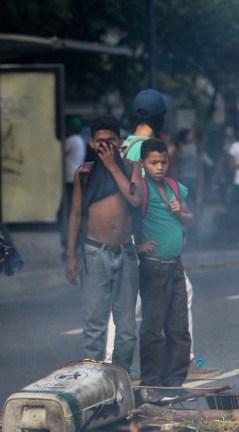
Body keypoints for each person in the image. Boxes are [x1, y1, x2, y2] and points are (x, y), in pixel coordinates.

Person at [108, 89, 221, 380]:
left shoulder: (127, 144)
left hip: (132, 235)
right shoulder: (145, 148)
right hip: (148, 240)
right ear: (160, 117)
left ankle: (112, 363)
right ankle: (178, 364)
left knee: (128, 300)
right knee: (143, 305)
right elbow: (139, 198)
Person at [65, 115, 142, 371]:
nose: (105, 147)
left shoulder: (131, 167)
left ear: (119, 141)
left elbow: (135, 199)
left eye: (111, 141)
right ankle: (94, 381)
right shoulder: (84, 173)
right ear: (91, 143)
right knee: (95, 325)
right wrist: (71, 256)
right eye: (100, 143)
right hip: (95, 252)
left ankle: (120, 378)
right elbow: (75, 214)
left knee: (127, 329)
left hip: (126, 253)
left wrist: (112, 166)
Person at [136, 138, 194, 386]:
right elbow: (129, 218)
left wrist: (179, 211)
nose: (159, 167)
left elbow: (191, 217)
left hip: (175, 264)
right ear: (143, 163)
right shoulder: (140, 187)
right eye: (153, 163)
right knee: (153, 328)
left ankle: (175, 380)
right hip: (153, 265)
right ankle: (152, 380)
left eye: (163, 162)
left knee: (179, 326)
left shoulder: (174, 187)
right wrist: (137, 246)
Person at [60, 116, 86, 253]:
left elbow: (58, 150)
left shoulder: (71, 140)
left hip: (71, 180)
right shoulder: (79, 140)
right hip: (75, 180)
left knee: (66, 213)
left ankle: (69, 244)